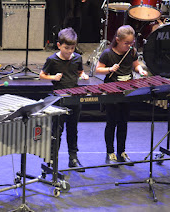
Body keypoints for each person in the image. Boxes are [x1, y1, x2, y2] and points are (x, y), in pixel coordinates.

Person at [95, 25, 148, 167]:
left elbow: (136, 65)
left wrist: (140, 70)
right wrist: (109, 69)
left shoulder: (131, 52)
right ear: (117, 40)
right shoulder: (107, 54)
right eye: (127, 43)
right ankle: (110, 152)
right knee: (111, 122)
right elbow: (98, 70)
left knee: (123, 123)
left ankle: (122, 151)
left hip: (127, 91)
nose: (130, 46)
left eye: (132, 43)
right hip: (112, 91)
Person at [40, 27, 89, 172]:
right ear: (59, 45)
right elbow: (42, 75)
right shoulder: (52, 60)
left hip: (74, 99)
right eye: (66, 48)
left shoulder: (77, 58)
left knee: (73, 130)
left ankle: (73, 158)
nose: (69, 51)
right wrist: (52, 77)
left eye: (72, 48)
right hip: (58, 100)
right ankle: (50, 160)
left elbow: (80, 71)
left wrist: (83, 75)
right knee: (56, 131)